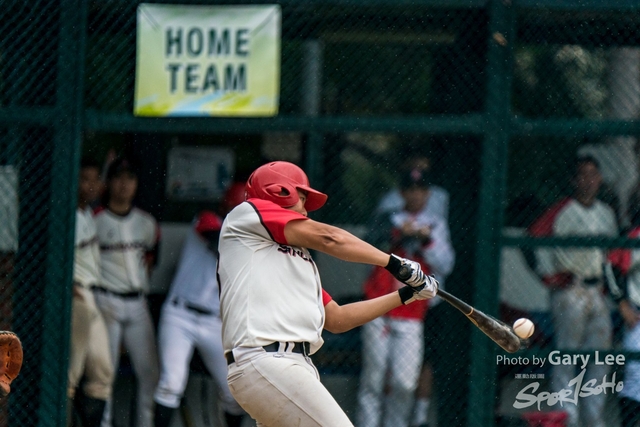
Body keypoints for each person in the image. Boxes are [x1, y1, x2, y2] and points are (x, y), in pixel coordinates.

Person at [218, 161, 439, 427]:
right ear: (278, 192)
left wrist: (406, 295)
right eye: (300, 199)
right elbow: (330, 238)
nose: (305, 211)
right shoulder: (247, 214)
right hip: (267, 362)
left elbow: (337, 318)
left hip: (287, 367)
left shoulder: (298, 261)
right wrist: (395, 263)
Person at [357, 167, 455, 427]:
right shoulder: (389, 218)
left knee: (404, 382)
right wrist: (401, 234)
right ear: (401, 193)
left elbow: (445, 264)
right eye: (410, 189)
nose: (415, 195)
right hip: (379, 307)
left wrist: (424, 240)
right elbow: (369, 247)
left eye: (421, 189)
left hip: (413, 310)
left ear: (428, 192)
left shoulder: (435, 223)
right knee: (373, 380)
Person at [528, 155, 618, 427]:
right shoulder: (562, 209)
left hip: (597, 290)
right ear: (573, 180)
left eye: (593, 175)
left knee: (600, 358)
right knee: (567, 355)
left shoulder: (607, 213)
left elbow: (612, 255)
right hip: (570, 288)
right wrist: (548, 276)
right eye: (582, 175)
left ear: (600, 179)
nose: (588, 181)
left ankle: (594, 418)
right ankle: (566, 418)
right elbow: (533, 238)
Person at [153, 209, 245, 427]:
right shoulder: (207, 218)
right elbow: (214, 235)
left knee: (236, 392)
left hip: (214, 323)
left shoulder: (251, 240)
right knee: (171, 384)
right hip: (179, 316)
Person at [93, 157, 160, 427]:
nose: (124, 184)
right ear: (108, 182)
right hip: (106, 299)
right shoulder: (95, 219)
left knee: (150, 372)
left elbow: (152, 259)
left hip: (137, 302)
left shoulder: (146, 222)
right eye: (118, 178)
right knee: (104, 373)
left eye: (129, 178)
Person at [68, 157, 114, 426]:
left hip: (90, 294)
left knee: (102, 372)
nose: (92, 185)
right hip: (77, 295)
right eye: (85, 179)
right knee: (69, 376)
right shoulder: (69, 214)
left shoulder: (87, 212)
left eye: (95, 180)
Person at [607, 186, 640, 427]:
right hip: (637, 315)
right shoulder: (632, 236)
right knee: (635, 377)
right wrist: (622, 304)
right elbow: (610, 268)